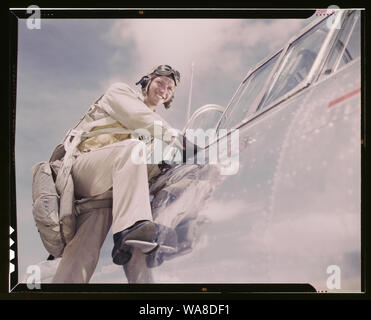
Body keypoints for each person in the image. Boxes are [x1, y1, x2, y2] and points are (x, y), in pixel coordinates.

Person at [51, 65, 181, 283]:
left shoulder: (152, 133)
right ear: (146, 81)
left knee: (83, 258)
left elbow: (141, 169)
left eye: (169, 88)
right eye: (160, 82)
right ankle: (130, 229)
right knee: (131, 150)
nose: (163, 89)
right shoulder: (120, 93)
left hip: (110, 196)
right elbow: (138, 118)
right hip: (85, 169)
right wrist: (179, 140)